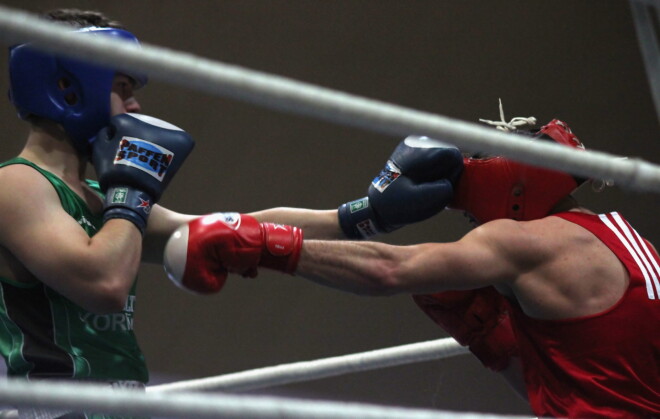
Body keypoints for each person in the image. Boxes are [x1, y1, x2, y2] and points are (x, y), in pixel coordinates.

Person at [0, 9, 464, 418]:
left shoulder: (101, 195)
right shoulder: (16, 185)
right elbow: (102, 284)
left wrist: (363, 216)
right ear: (68, 87)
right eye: (121, 89)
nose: (137, 106)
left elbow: (224, 230)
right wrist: (132, 190)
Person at [166, 117, 660, 418]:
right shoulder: (627, 242)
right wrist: (494, 343)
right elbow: (589, 393)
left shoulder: (521, 241)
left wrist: (265, 247)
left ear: (513, 188)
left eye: (470, 208)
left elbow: (390, 270)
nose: (470, 220)